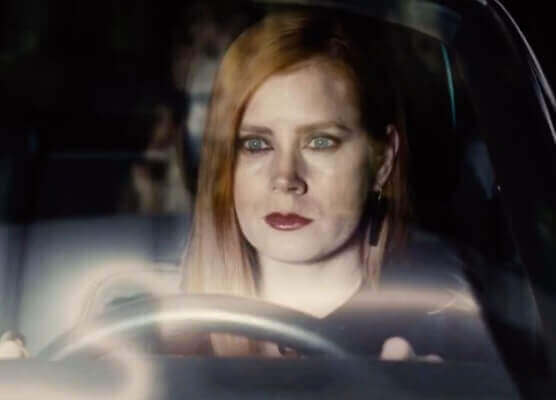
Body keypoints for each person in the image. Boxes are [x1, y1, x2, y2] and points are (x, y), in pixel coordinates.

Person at [179, 10, 495, 360]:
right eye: (256, 144)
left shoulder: (449, 330)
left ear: (382, 161)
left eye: (320, 142)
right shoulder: (168, 333)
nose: (285, 178)